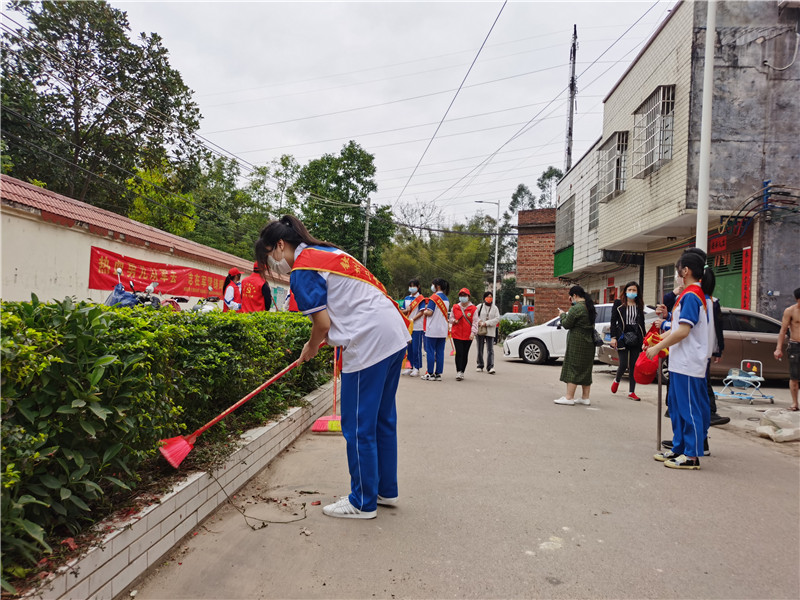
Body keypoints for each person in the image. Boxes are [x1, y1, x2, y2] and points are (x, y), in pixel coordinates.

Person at [255, 215, 411, 519]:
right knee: (381, 418)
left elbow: (322, 324)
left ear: (280, 245)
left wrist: (312, 345)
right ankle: (383, 490)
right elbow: (345, 307)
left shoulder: (302, 268)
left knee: (357, 425)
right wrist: (326, 337)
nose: (273, 266)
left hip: (368, 342)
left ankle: (362, 501)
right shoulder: (330, 253)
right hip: (392, 334)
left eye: (269, 257)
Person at [647, 248, 716, 470]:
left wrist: (658, 346)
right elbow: (676, 328)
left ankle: (692, 456)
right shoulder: (687, 295)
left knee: (689, 410)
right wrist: (656, 340)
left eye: (678, 270)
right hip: (679, 362)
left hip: (689, 364)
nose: (677, 273)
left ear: (685, 271)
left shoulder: (692, 296)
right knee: (677, 408)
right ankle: (679, 448)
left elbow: (684, 331)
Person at [554, 285, 596, 406]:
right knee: (586, 369)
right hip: (589, 342)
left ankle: (569, 397)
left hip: (577, 342)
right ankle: (585, 397)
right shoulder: (589, 306)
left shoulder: (576, 308)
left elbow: (567, 324)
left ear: (574, 296)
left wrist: (562, 314)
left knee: (573, 367)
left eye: (571, 297)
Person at [609, 281, 646, 401]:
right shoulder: (619, 304)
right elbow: (613, 321)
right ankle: (617, 379)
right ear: (625, 291)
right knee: (623, 363)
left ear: (637, 292)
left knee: (634, 366)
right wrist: (613, 337)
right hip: (622, 336)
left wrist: (644, 339)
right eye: (629, 290)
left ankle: (632, 392)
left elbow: (642, 323)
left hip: (635, 336)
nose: (631, 292)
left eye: (634, 290)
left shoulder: (639, 305)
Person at [774, 287, 800, 411]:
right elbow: (783, 330)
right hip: (795, 346)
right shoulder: (790, 311)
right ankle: (795, 403)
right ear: (797, 299)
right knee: (794, 376)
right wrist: (778, 349)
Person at [421, 278, 450, 381]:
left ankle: (429, 373)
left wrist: (424, 311)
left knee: (430, 351)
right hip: (442, 330)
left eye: (433, 285)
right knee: (440, 352)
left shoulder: (434, 298)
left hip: (432, 329)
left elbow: (430, 312)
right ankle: (438, 374)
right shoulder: (446, 299)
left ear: (437, 286)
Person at [449, 288, 477, 381]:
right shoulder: (455, 307)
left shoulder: (473, 309)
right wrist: (454, 321)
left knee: (465, 353)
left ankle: (462, 371)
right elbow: (450, 318)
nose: (462, 297)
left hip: (468, 335)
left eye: (464, 296)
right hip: (456, 334)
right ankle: (458, 371)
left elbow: (475, 322)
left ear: (468, 297)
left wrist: (473, 333)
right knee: (459, 353)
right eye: (461, 296)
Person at [400, 278, 426, 377]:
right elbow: (402, 311)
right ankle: (409, 367)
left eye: (413, 286)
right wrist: (407, 310)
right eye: (410, 286)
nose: (411, 288)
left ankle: (416, 367)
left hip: (417, 327)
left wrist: (413, 320)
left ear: (418, 287)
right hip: (408, 327)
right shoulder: (407, 298)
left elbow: (422, 311)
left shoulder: (421, 299)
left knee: (416, 348)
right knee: (409, 348)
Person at [475, 291, 500, 374]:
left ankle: (490, 366)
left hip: (490, 330)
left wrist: (487, 323)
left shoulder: (495, 308)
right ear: (484, 298)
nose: (489, 298)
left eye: (491, 296)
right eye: (488, 296)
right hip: (481, 330)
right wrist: (479, 321)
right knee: (480, 348)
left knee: (490, 349)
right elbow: (474, 316)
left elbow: (497, 318)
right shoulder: (479, 306)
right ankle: (480, 365)